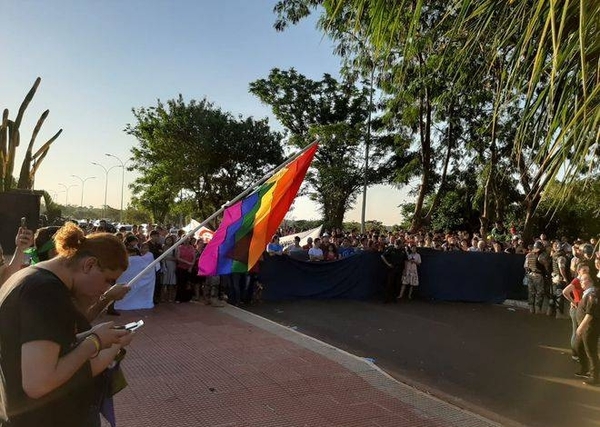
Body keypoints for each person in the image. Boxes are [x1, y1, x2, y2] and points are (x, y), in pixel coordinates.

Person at [0, 222, 134, 426]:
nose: (107, 288)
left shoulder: (31, 277)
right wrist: (96, 342)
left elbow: (46, 349)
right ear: (89, 264)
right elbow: (38, 383)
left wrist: (95, 337)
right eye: (108, 280)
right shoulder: (45, 291)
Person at [574, 274, 600, 385]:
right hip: (585, 328)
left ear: (589, 281)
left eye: (582, 281)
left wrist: (581, 327)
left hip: (589, 328)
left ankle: (595, 377)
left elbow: (590, 314)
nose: (580, 283)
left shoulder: (592, 294)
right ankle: (585, 368)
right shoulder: (587, 293)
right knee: (579, 347)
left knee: (591, 351)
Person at [563, 265, 589, 361]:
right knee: (576, 331)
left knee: (578, 331)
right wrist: (573, 302)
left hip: (580, 309)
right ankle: (575, 353)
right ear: (578, 271)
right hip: (576, 309)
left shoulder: (583, 280)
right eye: (584, 270)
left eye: (587, 270)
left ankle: (577, 353)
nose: (586, 272)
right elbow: (565, 292)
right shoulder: (576, 281)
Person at [524, 241, 551, 314]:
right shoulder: (542, 256)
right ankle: (537, 309)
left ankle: (531, 308)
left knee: (531, 292)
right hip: (538, 275)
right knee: (539, 292)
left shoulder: (528, 255)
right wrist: (548, 276)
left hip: (530, 275)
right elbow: (547, 268)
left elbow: (525, 267)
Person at [160, 235, 177, 302]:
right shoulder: (163, 247)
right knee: (163, 282)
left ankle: (170, 297)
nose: (169, 241)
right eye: (168, 240)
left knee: (171, 282)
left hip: (172, 265)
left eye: (170, 240)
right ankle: (162, 297)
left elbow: (176, 258)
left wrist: (167, 258)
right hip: (164, 265)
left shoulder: (174, 248)